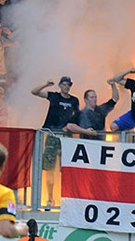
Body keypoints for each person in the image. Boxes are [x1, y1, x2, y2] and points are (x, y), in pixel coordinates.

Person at [31, 76, 80, 207]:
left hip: (67, 137)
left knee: (66, 169)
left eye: (68, 84)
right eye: (64, 84)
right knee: (49, 168)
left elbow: (77, 117)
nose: (66, 87)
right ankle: (50, 198)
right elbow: (34, 92)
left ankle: (66, 198)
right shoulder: (54, 96)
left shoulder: (74, 100)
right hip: (52, 135)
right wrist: (46, 84)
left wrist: (70, 127)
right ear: (60, 85)